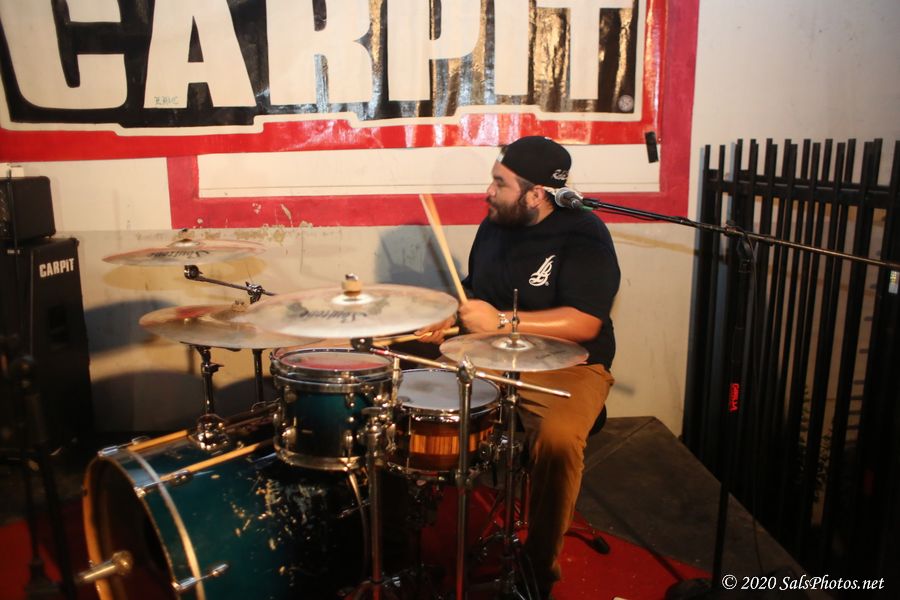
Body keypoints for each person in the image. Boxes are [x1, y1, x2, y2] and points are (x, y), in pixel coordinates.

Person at [416, 135, 620, 599]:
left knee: (559, 441)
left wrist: (504, 321)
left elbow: (586, 321)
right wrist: (451, 314)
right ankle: (406, 537)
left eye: (499, 183)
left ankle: (537, 571)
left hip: (569, 365)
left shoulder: (585, 233)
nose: (488, 191)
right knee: (412, 394)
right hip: (491, 354)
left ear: (536, 194)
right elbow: (478, 289)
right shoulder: (496, 225)